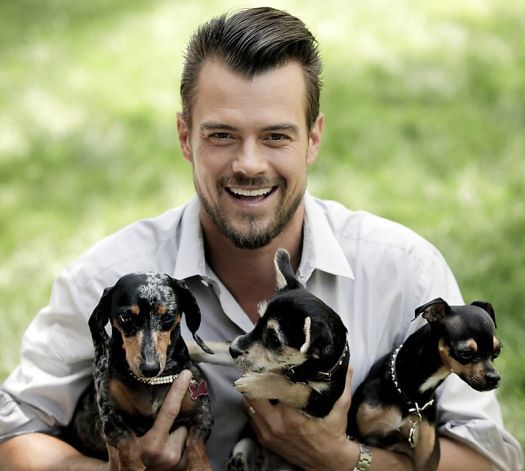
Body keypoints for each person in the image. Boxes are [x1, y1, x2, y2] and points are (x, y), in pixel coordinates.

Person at [0, 6, 522, 471]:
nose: (249, 165)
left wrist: (342, 459)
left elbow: (489, 459)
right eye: (222, 135)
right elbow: (12, 436)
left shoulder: (404, 271)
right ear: (185, 137)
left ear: (313, 138)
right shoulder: (105, 279)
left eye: (276, 136)